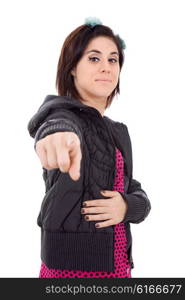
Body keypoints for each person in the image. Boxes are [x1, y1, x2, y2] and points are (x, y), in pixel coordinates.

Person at [27, 17, 151, 278]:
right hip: (71, 271)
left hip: (118, 264)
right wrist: (55, 134)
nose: (106, 67)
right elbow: (53, 121)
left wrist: (127, 206)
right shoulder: (63, 115)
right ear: (72, 67)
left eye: (113, 59)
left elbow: (134, 189)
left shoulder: (118, 131)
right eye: (94, 58)